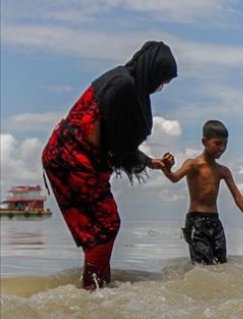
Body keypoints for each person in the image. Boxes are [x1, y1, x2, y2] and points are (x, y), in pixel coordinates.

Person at [41, 41, 177, 290]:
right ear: (152, 70)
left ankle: (95, 286)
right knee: (105, 224)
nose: (161, 87)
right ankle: (94, 290)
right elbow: (101, 134)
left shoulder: (126, 83)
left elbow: (117, 140)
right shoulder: (122, 85)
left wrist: (149, 161)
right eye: (163, 79)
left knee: (101, 228)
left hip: (73, 158)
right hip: (72, 159)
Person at [160, 120, 243, 265]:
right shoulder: (193, 164)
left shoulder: (223, 171)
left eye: (225, 144)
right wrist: (166, 168)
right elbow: (174, 178)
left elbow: (238, 197)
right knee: (202, 267)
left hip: (215, 222)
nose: (221, 148)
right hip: (196, 222)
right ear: (204, 141)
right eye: (217, 143)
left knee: (221, 265)